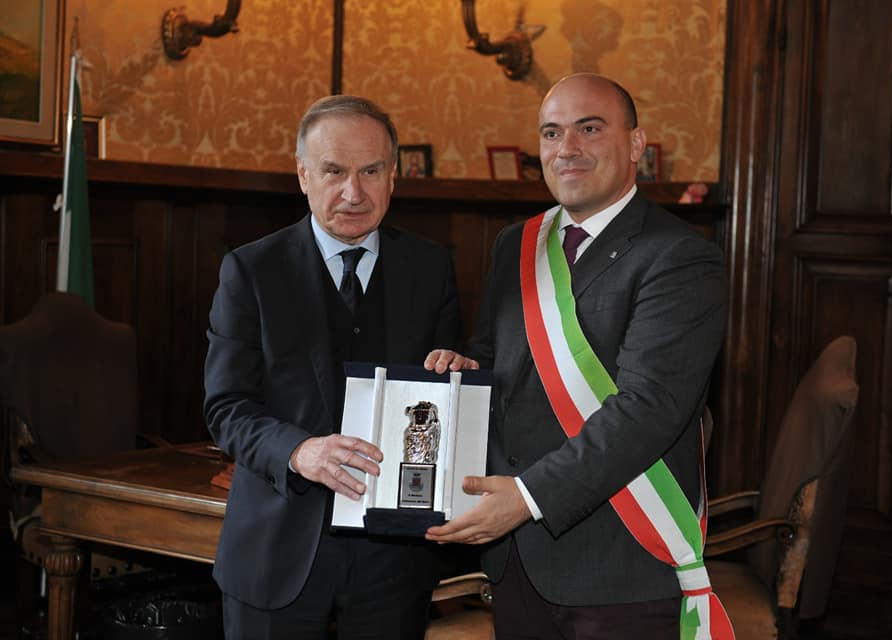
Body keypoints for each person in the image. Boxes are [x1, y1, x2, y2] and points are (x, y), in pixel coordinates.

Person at [423, 73, 732, 639]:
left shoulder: (680, 257)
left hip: (619, 563)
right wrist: (465, 372)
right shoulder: (516, 243)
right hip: (517, 558)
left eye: (589, 129)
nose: (566, 148)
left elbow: (649, 407)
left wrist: (528, 498)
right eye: (551, 133)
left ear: (635, 144)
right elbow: (496, 360)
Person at [204, 95, 463, 640]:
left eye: (371, 171)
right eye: (334, 171)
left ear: (393, 176)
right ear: (303, 175)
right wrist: (300, 451)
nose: (354, 192)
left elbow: (442, 392)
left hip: (395, 562)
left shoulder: (431, 266)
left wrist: (457, 376)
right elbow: (227, 408)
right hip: (276, 549)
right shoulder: (251, 270)